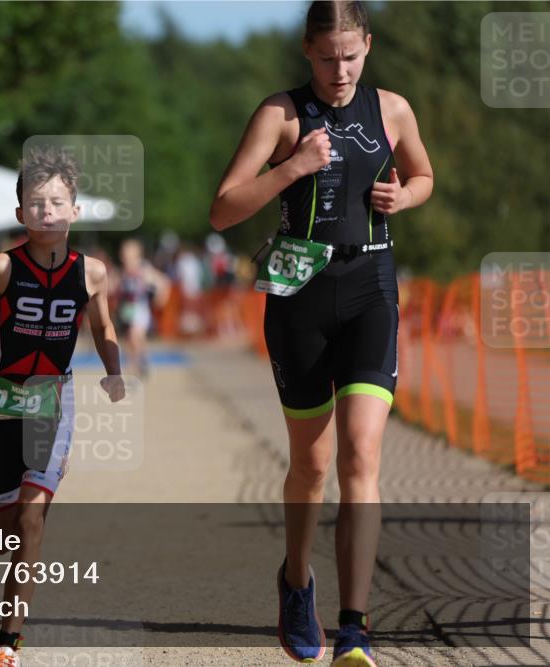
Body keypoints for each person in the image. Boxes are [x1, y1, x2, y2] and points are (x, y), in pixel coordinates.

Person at [209, 2, 433, 665]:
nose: (341, 71)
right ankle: (297, 579)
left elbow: (422, 175)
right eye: (328, 58)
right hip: (298, 293)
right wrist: (291, 168)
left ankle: (355, 627)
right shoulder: (279, 115)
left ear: (369, 44)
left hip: (371, 287)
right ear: (307, 51)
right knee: (310, 462)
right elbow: (222, 209)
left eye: (352, 56)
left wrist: (406, 197)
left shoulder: (392, 109)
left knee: (360, 454)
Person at [0, 145, 125, 667]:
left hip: (53, 401)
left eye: (58, 201)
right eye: (36, 203)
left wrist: (113, 370)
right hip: (5, 399)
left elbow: (103, 326)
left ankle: (8, 641)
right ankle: (11, 598)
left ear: (74, 211)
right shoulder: (0, 268)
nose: (47, 211)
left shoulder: (93, 273)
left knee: (31, 517)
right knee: (0, 535)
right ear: (21, 213)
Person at [114, 238, 170, 377]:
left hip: (140, 308)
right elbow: (116, 286)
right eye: (123, 254)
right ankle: (137, 363)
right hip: (126, 309)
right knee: (129, 339)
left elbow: (164, 281)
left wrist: (161, 298)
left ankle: (138, 364)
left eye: (128, 255)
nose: (125, 258)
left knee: (135, 335)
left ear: (137, 255)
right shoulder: (123, 270)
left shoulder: (143, 268)